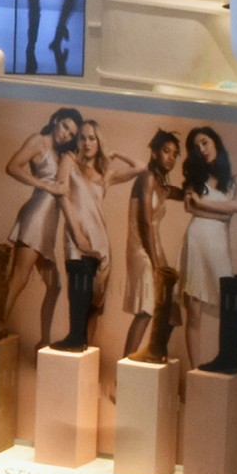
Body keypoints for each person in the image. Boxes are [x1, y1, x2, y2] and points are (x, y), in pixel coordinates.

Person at [0, 107, 82, 345]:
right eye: (66, 127)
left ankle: (43, 342)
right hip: (37, 214)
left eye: (72, 133)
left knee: (53, 285)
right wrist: (46, 186)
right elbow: (12, 166)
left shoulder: (62, 153)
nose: (67, 135)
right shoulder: (38, 141)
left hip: (49, 220)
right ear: (56, 120)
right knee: (20, 275)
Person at [52, 118, 139, 349]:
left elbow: (140, 167)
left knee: (92, 299)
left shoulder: (105, 174)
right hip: (75, 235)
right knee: (76, 288)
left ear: (99, 142)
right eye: (83, 138)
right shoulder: (69, 161)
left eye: (92, 138)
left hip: (99, 240)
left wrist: (116, 153)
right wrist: (76, 232)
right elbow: (62, 195)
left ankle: (80, 341)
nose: (87, 143)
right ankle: (75, 337)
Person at [178, 126, 237, 373]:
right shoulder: (197, 178)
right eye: (197, 147)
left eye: (205, 143)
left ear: (215, 142)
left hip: (217, 244)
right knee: (193, 309)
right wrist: (215, 209)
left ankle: (224, 359)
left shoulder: (235, 179)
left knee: (226, 303)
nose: (202, 150)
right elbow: (190, 209)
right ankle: (195, 370)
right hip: (195, 240)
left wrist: (201, 203)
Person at [122, 132, 182, 360]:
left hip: (156, 251)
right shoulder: (146, 178)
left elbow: (179, 192)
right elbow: (145, 223)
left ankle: (152, 354)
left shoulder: (161, 186)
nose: (171, 158)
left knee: (171, 310)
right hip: (141, 250)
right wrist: (157, 266)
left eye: (175, 155)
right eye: (166, 151)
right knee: (146, 310)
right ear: (155, 152)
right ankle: (123, 373)